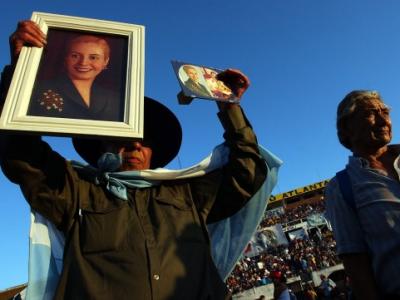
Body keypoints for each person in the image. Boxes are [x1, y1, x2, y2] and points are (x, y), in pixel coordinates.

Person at [0, 21, 281, 300]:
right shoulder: (75, 194)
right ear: (102, 144)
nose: (134, 143)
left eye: (144, 138)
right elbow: (21, 155)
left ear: (153, 151)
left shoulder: (187, 195)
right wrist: (21, 72)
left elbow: (246, 173)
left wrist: (228, 104)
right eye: (123, 135)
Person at [324, 90, 400, 299]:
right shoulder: (341, 187)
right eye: (370, 113)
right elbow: (357, 268)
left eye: (385, 112)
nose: (384, 120)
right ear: (346, 129)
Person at [25, 23, 122, 121]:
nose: (83, 63)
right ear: (66, 58)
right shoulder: (38, 89)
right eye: (75, 56)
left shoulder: (115, 99)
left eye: (93, 57)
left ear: (105, 62)